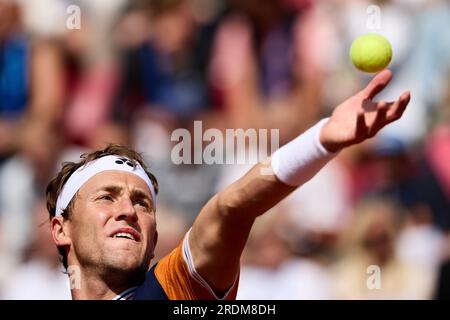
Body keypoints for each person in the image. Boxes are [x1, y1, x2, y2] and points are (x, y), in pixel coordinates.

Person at [46, 69, 411, 299]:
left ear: (155, 238)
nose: (127, 210)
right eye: (106, 197)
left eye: (142, 203)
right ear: (62, 229)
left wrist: (320, 141)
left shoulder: (176, 291)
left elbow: (231, 208)